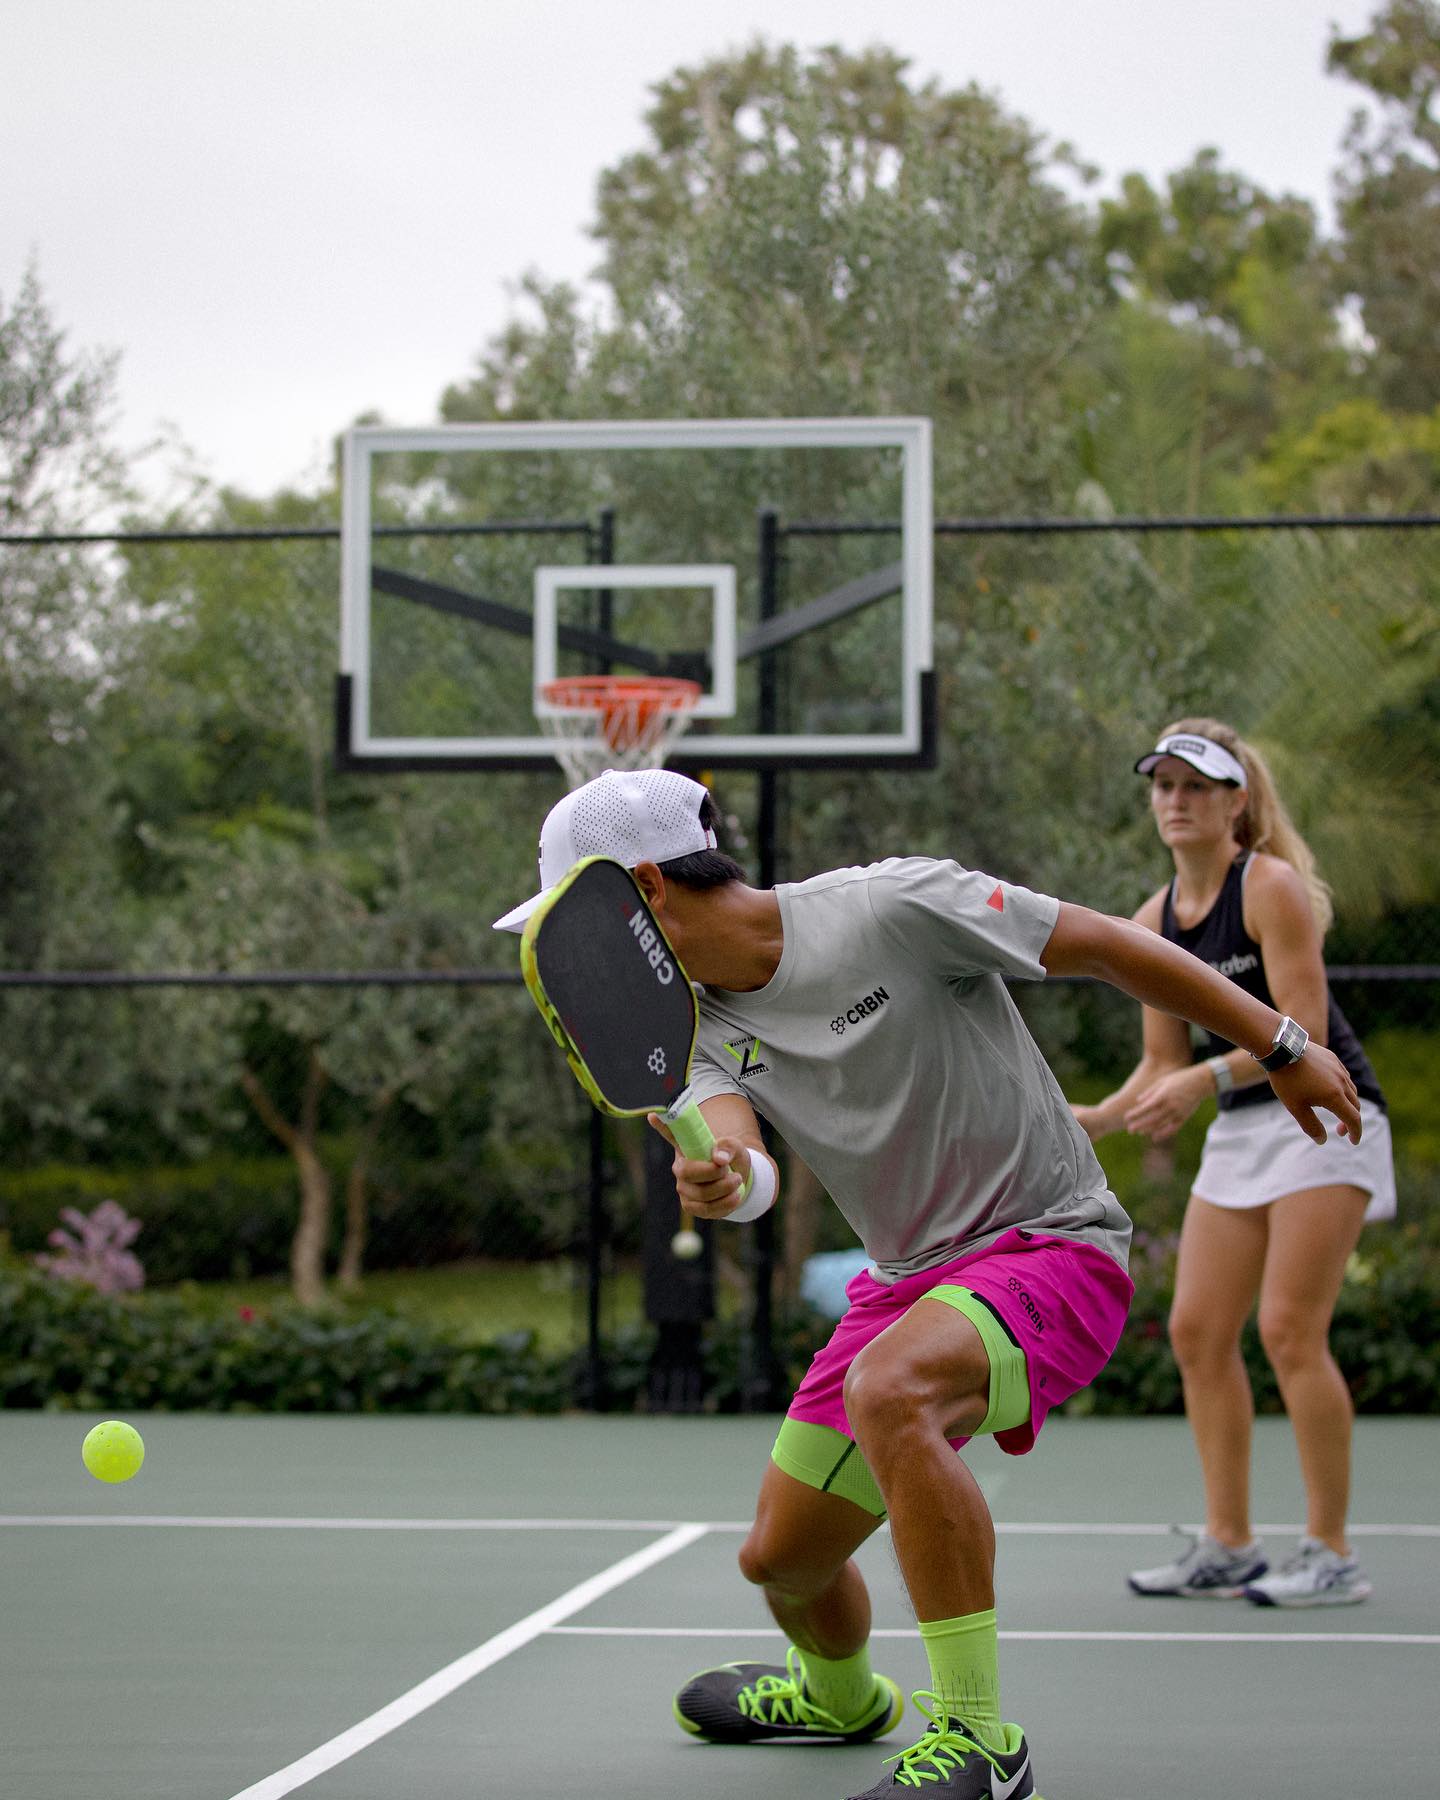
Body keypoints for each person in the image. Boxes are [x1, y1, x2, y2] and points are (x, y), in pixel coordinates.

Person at [494, 766, 1362, 1800]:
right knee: (781, 1563)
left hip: (1051, 1247)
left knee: (890, 1390)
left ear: (645, 890)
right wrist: (726, 1184)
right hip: (907, 1286)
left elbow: (1105, 945)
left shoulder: (889, 906)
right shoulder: (693, 1027)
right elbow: (750, 1169)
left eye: (577, 924)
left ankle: (980, 1738)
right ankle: (841, 1698)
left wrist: (1281, 1041)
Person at [1071, 720, 1394, 1610]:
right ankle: (1230, 1544)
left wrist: (1202, 1081)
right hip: (1244, 1128)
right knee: (1197, 1332)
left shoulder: (1272, 888)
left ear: (1236, 803)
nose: (1176, 802)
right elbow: (1160, 1061)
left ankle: (1332, 1553)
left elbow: (1305, 1036)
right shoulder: (1149, 920)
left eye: (1196, 788)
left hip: (1328, 1115)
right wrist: (1102, 1114)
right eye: (1163, 786)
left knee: (1290, 1330)